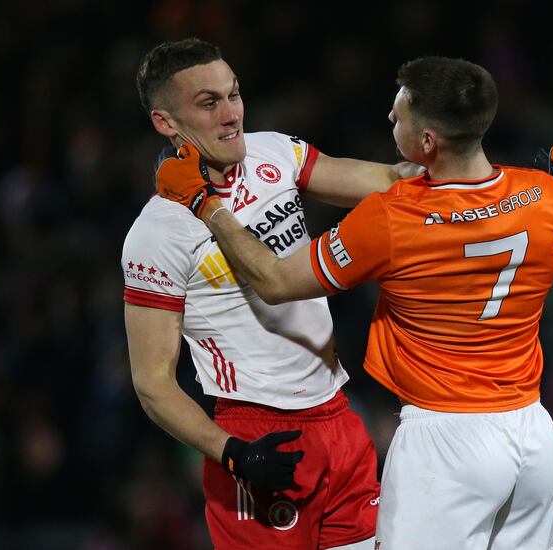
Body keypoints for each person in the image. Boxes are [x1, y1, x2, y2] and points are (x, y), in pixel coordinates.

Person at [155, 56, 553, 549]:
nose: (390, 119)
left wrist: (205, 204)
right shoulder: (543, 194)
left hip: (446, 439)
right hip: (533, 435)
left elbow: (277, 282)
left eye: (400, 113)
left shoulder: (391, 219)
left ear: (428, 140)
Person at [123, 38, 411, 550]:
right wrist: (233, 453)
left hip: (339, 418)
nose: (232, 114)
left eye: (233, 94)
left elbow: (388, 179)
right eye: (209, 103)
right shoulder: (157, 233)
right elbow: (152, 384)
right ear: (166, 122)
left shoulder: (272, 151)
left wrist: (490, 180)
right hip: (258, 433)